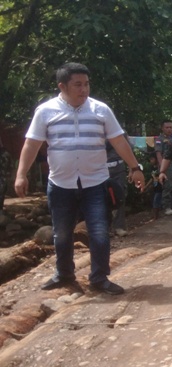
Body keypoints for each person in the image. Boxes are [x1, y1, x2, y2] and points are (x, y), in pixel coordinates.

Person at [15, 62, 145, 295]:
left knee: (99, 232)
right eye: (78, 85)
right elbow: (32, 144)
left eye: (86, 84)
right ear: (62, 86)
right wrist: (21, 174)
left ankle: (99, 278)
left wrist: (135, 167)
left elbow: (118, 141)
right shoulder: (45, 111)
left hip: (95, 183)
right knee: (62, 233)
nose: (83, 89)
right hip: (61, 183)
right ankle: (64, 274)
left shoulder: (101, 110)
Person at [106, 133, 132, 237]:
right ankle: (105, 228)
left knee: (120, 197)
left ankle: (119, 227)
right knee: (102, 198)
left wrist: (132, 169)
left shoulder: (120, 133)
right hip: (101, 169)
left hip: (118, 169)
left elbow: (128, 151)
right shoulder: (95, 130)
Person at [155, 120, 172, 215]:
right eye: (167, 127)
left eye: (171, 127)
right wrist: (162, 168)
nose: (169, 129)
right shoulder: (159, 139)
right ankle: (166, 207)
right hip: (166, 165)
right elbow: (158, 153)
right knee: (167, 186)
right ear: (162, 128)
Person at [0, 138, 12, 215]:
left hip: (2, 178)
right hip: (3, 178)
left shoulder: (5, 154)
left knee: (1, 195)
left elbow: (10, 167)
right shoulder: (6, 154)